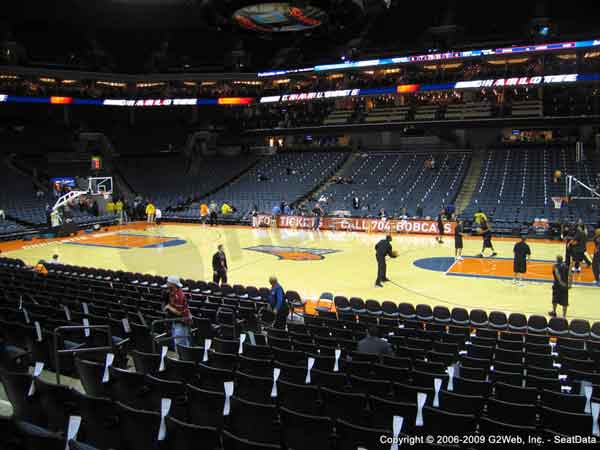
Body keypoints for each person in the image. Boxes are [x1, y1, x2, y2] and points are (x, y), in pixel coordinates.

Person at [164, 275, 191, 347]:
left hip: (182, 322)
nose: (167, 284)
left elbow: (179, 312)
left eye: (168, 282)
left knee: (181, 344)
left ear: (173, 284)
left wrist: (169, 307)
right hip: (175, 321)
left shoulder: (179, 295)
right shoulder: (171, 292)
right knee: (177, 343)